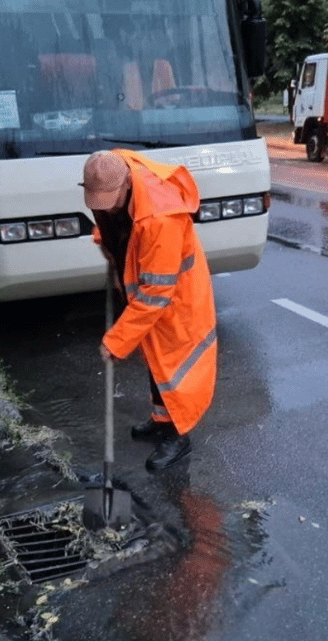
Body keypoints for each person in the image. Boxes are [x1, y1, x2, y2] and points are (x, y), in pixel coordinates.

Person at [81, 149, 218, 471]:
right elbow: (110, 220)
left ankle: (178, 436)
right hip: (149, 288)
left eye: (110, 200)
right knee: (156, 360)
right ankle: (160, 421)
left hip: (176, 297)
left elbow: (157, 293)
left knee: (175, 365)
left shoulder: (161, 218)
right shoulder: (110, 166)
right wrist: (108, 245)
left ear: (127, 184)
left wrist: (116, 341)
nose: (106, 207)